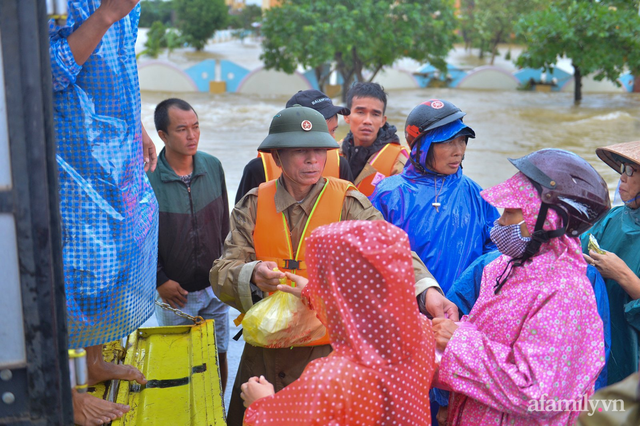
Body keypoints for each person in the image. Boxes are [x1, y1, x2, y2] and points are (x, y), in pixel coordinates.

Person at [210, 105, 457, 425]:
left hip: (324, 350)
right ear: (277, 157)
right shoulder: (254, 202)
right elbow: (221, 270)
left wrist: (426, 290)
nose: (313, 159)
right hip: (264, 354)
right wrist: (252, 273)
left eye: (320, 150)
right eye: (301, 151)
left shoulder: (348, 200)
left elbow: (390, 252)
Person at [433, 148, 611, 425]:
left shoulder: (566, 291)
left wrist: (459, 342)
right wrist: (456, 331)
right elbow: (493, 339)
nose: (499, 223)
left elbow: (539, 393)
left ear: (547, 220)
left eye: (511, 213)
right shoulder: (503, 267)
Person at [49, 1, 158, 424]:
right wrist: (105, 14)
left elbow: (120, 63)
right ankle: (66, 389)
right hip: (70, 147)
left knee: (113, 256)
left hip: (116, 147)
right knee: (72, 265)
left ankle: (92, 360)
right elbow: (49, 72)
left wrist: (138, 125)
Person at [369, 99, 498, 423]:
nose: (459, 151)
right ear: (422, 146)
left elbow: (495, 261)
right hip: (402, 330)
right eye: (448, 142)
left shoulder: (477, 196)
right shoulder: (388, 194)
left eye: (462, 140)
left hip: (458, 326)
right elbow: (372, 265)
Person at [239, 220, 437, 425]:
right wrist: (313, 293)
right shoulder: (421, 330)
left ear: (335, 294)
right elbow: (360, 311)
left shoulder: (332, 378)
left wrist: (261, 405)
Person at [146, 98, 230, 390]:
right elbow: (140, 238)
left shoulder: (212, 166)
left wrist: (225, 272)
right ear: (163, 136)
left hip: (214, 287)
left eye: (195, 127)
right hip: (174, 294)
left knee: (218, 354)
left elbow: (224, 226)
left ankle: (216, 407)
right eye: (182, 129)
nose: (192, 135)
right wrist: (159, 280)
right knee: (178, 364)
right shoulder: (149, 178)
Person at [445, 249, 612, 390]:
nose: (499, 223)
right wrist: (446, 397)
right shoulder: (492, 266)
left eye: (510, 213)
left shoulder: (580, 280)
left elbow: (592, 358)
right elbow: (454, 317)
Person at [582, 140, 640, 386]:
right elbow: (574, 252)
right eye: (623, 168)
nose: (622, 178)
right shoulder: (615, 217)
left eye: (631, 171)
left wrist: (624, 276)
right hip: (605, 337)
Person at [235, 89, 353, 203]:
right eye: (323, 134)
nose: (331, 141)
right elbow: (242, 218)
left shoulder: (341, 164)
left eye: (333, 131)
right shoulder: (259, 169)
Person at [340, 82, 409, 196]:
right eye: (360, 112)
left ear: (383, 120)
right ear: (347, 116)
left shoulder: (399, 161)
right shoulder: (333, 153)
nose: (368, 120)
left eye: (375, 114)